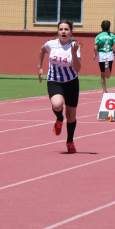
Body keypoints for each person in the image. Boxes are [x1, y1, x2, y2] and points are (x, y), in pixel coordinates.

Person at [38, 20, 83, 154]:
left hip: (71, 82)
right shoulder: (50, 44)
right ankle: (58, 118)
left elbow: (78, 68)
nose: (63, 32)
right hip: (54, 80)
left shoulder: (75, 46)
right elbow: (41, 51)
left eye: (66, 29)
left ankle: (70, 141)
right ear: (58, 31)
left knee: (71, 116)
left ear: (71, 32)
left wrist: (74, 53)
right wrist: (39, 67)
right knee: (57, 105)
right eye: (61, 29)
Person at [94, 20, 115, 93]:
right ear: (109, 27)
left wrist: (94, 54)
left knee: (102, 74)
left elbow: (95, 47)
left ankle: (104, 90)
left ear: (102, 27)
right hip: (109, 54)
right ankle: (107, 67)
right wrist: (114, 51)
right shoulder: (112, 35)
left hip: (101, 55)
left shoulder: (98, 36)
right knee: (108, 76)